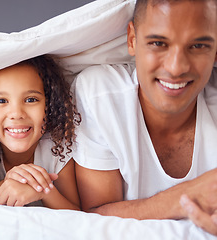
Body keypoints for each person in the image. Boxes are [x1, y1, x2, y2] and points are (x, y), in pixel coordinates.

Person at [72, 0, 217, 235]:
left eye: (198, 45)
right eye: (158, 43)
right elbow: (96, 217)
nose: (175, 67)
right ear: (132, 40)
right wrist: (189, 195)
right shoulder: (101, 96)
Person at [0, 55, 80, 209]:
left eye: (31, 99)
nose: (17, 113)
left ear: (50, 105)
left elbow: (76, 214)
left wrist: (43, 191)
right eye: (1, 101)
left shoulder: (59, 149)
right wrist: (6, 185)